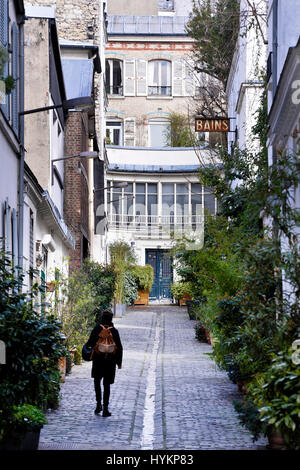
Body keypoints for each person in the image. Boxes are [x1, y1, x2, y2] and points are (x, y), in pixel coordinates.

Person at [86, 310, 123, 417]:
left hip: (98, 360)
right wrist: (118, 362)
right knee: (106, 385)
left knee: (97, 382)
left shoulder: (97, 329)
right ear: (111, 319)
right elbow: (119, 347)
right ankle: (105, 408)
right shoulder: (114, 331)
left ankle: (98, 405)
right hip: (110, 361)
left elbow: (90, 343)